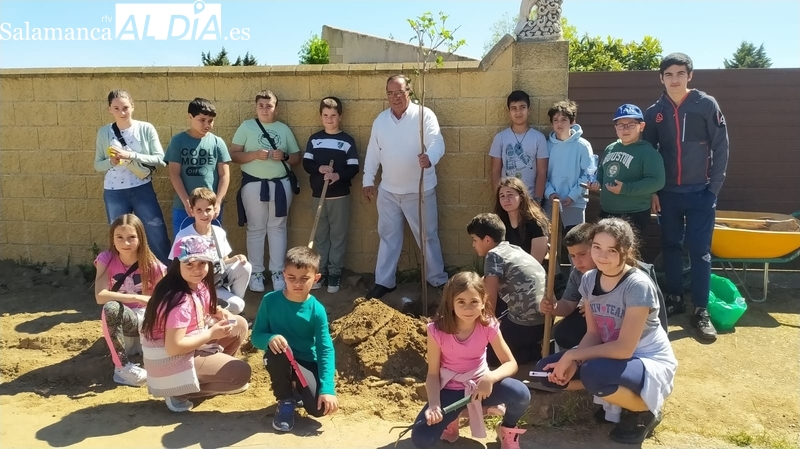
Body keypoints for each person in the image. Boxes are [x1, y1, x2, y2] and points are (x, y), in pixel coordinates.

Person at [533, 218, 678, 445]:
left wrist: (573, 356)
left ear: (626, 250)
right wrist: (573, 363)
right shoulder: (589, 279)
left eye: (611, 250)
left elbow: (624, 349)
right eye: (597, 247)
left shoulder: (638, 285)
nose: (602, 256)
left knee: (594, 372)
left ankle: (645, 410)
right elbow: (594, 334)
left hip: (644, 356)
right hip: (611, 352)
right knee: (546, 373)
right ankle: (610, 395)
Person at [643, 52, 729, 342]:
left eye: (680, 73)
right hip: (668, 194)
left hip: (700, 192)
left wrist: (713, 188)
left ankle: (701, 310)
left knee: (700, 251)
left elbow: (721, 147)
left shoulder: (706, 104)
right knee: (670, 247)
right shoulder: (655, 111)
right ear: (661, 78)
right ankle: (675, 298)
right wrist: (654, 191)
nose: (675, 79)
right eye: (669, 74)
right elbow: (649, 155)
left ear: (690, 76)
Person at [410, 271, 530, 449]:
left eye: (474, 301)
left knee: (520, 393)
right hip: (451, 390)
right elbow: (433, 374)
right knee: (421, 439)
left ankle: (507, 428)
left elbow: (510, 363)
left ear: (483, 301)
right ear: (450, 302)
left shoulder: (488, 325)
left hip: (481, 387)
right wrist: (434, 405)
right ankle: (454, 417)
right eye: (461, 302)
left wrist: (490, 378)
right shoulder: (436, 330)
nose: (468, 308)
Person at [140, 235, 251, 413]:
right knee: (240, 374)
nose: (197, 270)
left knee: (239, 324)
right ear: (178, 265)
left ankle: (213, 374)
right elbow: (173, 348)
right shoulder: (180, 301)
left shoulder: (196, 285)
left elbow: (208, 308)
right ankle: (179, 392)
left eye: (202, 263)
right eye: (189, 264)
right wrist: (211, 334)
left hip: (189, 346)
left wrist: (221, 313)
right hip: (170, 360)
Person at [362, 74, 448, 299]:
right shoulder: (381, 120)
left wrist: (430, 157)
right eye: (390, 93)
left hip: (420, 190)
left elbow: (437, 142)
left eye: (399, 92)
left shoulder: (423, 115)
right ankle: (384, 282)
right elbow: (373, 152)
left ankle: (437, 279)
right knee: (388, 237)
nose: (395, 97)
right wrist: (368, 180)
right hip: (388, 191)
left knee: (427, 237)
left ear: (409, 92)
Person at [251, 246, 339, 433]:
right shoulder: (270, 301)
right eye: (291, 278)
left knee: (319, 409)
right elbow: (256, 337)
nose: (297, 284)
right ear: (283, 275)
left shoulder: (317, 310)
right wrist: (270, 338)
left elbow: (325, 349)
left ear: (316, 278)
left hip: (306, 362)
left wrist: (328, 389)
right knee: (278, 352)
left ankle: (296, 388)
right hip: (280, 357)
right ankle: (285, 400)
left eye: (304, 279)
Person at [230, 90, 302, 294]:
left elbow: (297, 158)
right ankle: (256, 273)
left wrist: (285, 156)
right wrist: (253, 154)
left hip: (280, 184)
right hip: (254, 184)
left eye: (269, 106)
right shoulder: (247, 126)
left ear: (276, 108)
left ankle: (278, 271)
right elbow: (234, 155)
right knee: (256, 228)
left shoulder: (283, 129)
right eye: (261, 105)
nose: (264, 109)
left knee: (278, 227)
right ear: (256, 107)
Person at [94, 89, 171, 263]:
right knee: (120, 238)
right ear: (109, 109)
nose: (122, 113)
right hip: (114, 191)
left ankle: (166, 273)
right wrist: (111, 162)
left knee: (156, 233)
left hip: (142, 187)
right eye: (116, 108)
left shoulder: (145, 128)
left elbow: (160, 159)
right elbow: (98, 165)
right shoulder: (104, 132)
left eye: (125, 108)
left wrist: (130, 155)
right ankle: (125, 275)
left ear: (133, 107)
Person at [94, 213, 167, 387]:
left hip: (145, 320)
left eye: (131, 237)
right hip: (122, 319)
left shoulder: (153, 265)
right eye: (119, 237)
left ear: (140, 238)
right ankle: (122, 368)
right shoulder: (106, 259)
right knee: (110, 307)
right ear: (112, 238)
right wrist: (136, 297)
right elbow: (100, 296)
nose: (125, 243)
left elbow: (165, 300)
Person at [467, 213, 547, 366]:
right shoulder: (514, 249)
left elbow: (490, 299)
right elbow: (485, 282)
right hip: (543, 323)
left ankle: (533, 352)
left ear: (487, 240)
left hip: (524, 326)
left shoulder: (493, 255)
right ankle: (531, 347)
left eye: (475, 240)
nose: (473, 245)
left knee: (487, 355)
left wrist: (482, 331)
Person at [302, 96, 360, 294]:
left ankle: (335, 273)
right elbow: (307, 163)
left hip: (339, 197)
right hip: (318, 195)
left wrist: (338, 175)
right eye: (326, 115)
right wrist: (319, 168)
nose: (329, 119)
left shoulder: (347, 141)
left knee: (338, 236)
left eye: (333, 115)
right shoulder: (314, 139)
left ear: (340, 116)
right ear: (321, 116)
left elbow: (353, 167)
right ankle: (321, 272)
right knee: (320, 237)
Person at [171, 187, 252, 316]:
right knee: (238, 305)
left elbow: (223, 261)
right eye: (199, 210)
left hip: (218, 279)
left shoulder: (219, 231)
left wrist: (236, 258)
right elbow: (176, 268)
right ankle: (218, 309)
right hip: (198, 284)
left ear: (215, 210)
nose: (204, 214)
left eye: (208, 209)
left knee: (245, 266)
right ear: (191, 211)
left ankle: (229, 305)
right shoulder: (183, 236)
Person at [588, 104, 665, 238]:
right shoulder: (610, 148)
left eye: (631, 124)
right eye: (621, 125)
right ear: (615, 128)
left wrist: (626, 188)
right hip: (607, 211)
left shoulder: (648, 153)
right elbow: (601, 173)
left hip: (634, 214)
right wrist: (596, 183)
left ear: (641, 126)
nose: (625, 129)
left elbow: (657, 182)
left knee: (628, 251)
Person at [164, 97, 231, 238]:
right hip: (184, 207)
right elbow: (174, 174)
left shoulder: (217, 142)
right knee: (183, 246)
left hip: (210, 208)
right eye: (202, 120)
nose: (207, 124)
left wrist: (218, 202)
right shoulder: (177, 141)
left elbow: (224, 175)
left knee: (211, 245)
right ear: (190, 117)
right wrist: (186, 201)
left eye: (210, 121)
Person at [539, 223, 596, 350]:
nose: (577, 261)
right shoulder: (577, 274)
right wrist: (553, 307)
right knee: (563, 335)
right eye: (573, 256)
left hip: (613, 323)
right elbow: (568, 304)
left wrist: (597, 307)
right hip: (586, 319)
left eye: (582, 254)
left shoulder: (610, 272)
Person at [489, 90, 549, 204]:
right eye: (514, 108)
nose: (518, 112)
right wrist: (499, 198)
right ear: (509, 111)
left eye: (522, 107)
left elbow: (542, 172)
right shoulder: (500, 138)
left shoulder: (539, 138)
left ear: (529, 110)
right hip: (507, 199)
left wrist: (538, 199)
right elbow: (495, 171)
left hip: (530, 198)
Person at [545, 100, 594, 231]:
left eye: (564, 120)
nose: (559, 124)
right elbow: (541, 173)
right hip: (550, 202)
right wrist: (550, 193)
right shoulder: (547, 145)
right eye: (555, 120)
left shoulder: (583, 145)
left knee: (574, 239)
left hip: (575, 202)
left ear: (572, 122)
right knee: (548, 239)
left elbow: (588, 174)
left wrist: (573, 195)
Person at [494, 177, 549, 264]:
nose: (506, 199)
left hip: (530, 269)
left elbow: (535, 262)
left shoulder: (537, 224)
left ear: (522, 197)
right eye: (502, 196)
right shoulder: (499, 223)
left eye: (510, 195)